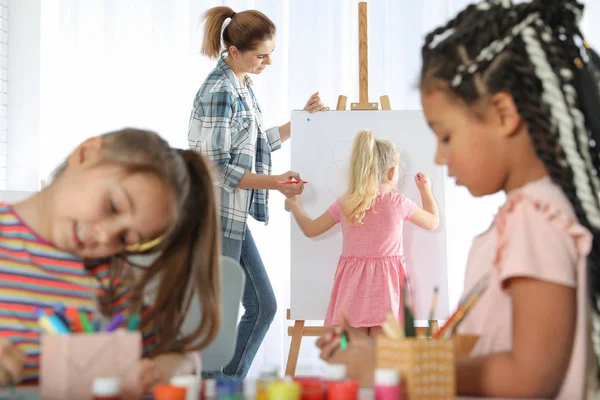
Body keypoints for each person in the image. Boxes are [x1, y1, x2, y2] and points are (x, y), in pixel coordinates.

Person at [317, 0, 600, 397]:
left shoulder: (534, 219)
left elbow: (529, 378)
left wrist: (392, 365)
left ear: (503, 114)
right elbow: (491, 349)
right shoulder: (528, 216)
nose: (438, 156)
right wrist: (377, 353)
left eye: (446, 137)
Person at [0, 128, 221, 391]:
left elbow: (179, 355)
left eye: (125, 238)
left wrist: (165, 369)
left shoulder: (108, 273)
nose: (104, 236)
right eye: (113, 206)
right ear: (86, 154)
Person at [189, 6, 328, 378]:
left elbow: (251, 146)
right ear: (234, 51)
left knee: (262, 306)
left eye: (271, 54)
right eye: (261, 55)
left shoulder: (241, 85)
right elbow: (217, 166)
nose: (268, 62)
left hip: (231, 215)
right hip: (215, 213)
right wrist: (276, 181)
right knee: (218, 314)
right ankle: (213, 386)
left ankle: (225, 386)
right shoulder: (219, 90)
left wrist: (299, 122)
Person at [285, 129, 439, 336]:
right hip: (386, 293)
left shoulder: (346, 202)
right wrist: (425, 191)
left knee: (350, 353)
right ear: (392, 173)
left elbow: (311, 229)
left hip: (352, 291)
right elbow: (433, 222)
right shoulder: (398, 203)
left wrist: (295, 205)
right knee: (383, 359)